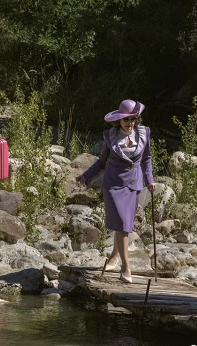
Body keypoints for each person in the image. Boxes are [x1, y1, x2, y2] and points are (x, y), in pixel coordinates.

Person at [76, 99, 157, 284]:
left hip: (133, 184)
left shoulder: (143, 134)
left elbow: (147, 160)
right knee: (122, 225)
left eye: (133, 120)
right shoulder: (110, 135)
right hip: (113, 184)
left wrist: (150, 180)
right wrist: (86, 176)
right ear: (119, 121)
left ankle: (114, 255)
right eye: (126, 120)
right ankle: (126, 268)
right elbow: (101, 161)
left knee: (123, 225)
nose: (130, 124)